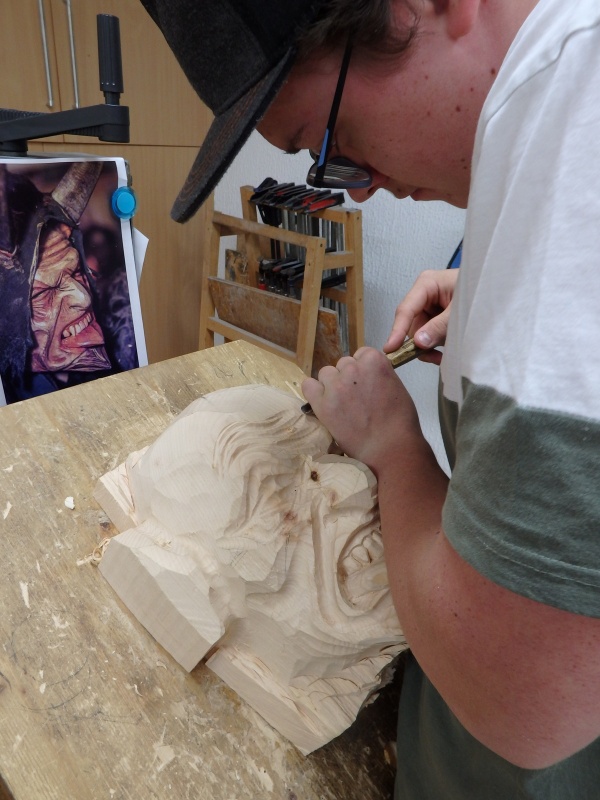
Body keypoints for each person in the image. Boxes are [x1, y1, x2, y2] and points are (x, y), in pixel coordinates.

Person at [139, 1, 600, 797]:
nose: (358, 191)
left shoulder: (577, 170)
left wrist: (394, 449)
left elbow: (522, 705)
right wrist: (490, 294)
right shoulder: (553, 104)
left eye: (332, 141)